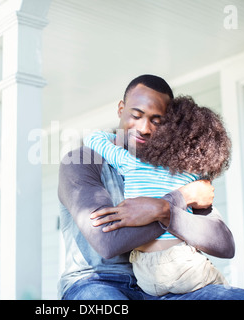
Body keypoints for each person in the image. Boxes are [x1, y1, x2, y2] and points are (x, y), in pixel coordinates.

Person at [57, 74, 244, 300]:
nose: (144, 128)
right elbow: (107, 242)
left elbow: (223, 244)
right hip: (96, 282)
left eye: (156, 121)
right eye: (136, 115)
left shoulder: (173, 168)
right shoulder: (82, 161)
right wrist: (179, 199)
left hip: (169, 288)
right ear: (121, 109)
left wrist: (163, 210)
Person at [83, 95, 230, 296]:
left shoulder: (130, 163)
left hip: (144, 273)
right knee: (223, 286)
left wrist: (116, 138)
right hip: (183, 265)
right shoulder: (193, 176)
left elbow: (93, 139)